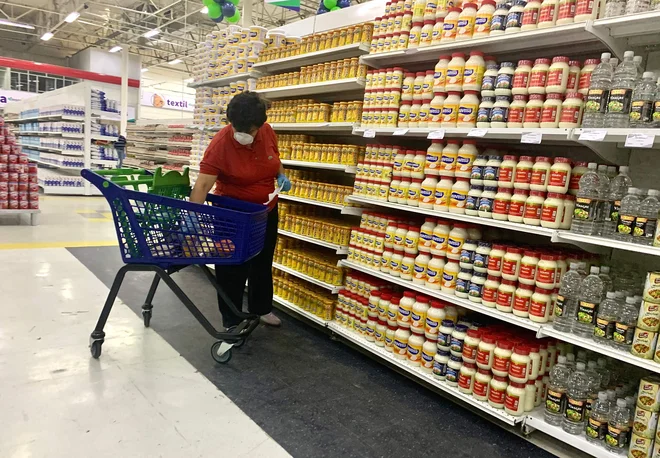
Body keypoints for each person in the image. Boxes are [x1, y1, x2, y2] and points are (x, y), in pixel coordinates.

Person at [189, 92, 290, 328]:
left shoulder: (267, 131)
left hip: (264, 211)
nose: (246, 134)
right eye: (240, 128)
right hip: (231, 215)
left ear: (261, 124)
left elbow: (275, 158)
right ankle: (231, 318)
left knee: (262, 262)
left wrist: (281, 174)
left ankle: (261, 308)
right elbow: (203, 184)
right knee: (231, 265)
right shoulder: (221, 143)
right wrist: (193, 216)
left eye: (252, 130)